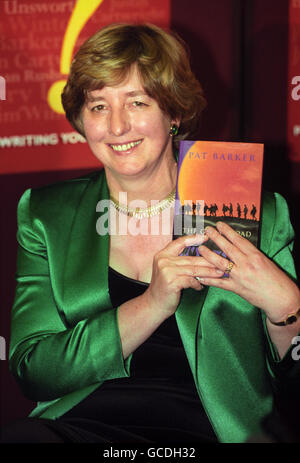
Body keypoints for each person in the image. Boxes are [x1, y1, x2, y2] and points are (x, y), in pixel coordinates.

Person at [2, 23, 300, 444]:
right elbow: (34, 370)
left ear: (174, 113)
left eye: (137, 102)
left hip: (212, 432)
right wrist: (153, 303)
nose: (118, 126)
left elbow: (288, 379)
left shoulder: (255, 210)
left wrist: (287, 305)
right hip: (81, 427)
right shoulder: (47, 215)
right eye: (98, 106)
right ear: (81, 120)